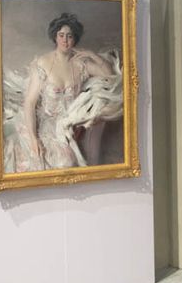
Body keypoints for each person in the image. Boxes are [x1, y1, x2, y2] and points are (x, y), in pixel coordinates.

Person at [7, 13, 118, 171]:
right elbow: (30, 103)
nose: (65, 40)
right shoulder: (43, 63)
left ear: (75, 39)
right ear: (55, 37)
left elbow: (110, 75)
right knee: (39, 161)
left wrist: (92, 55)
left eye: (69, 36)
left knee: (66, 163)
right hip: (42, 124)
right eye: (61, 35)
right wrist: (33, 138)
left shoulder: (81, 64)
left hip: (65, 125)